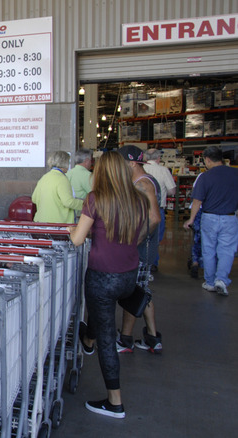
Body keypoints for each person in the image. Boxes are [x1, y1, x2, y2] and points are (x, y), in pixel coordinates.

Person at [68, 150, 151, 419]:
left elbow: (78, 239)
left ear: (102, 172)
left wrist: (72, 230)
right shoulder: (138, 198)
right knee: (100, 319)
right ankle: (88, 339)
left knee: (106, 336)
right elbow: (140, 232)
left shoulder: (95, 199)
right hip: (128, 275)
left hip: (102, 277)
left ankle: (115, 402)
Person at [117, 145, 163, 354]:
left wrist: (135, 241)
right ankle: (153, 338)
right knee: (142, 291)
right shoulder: (142, 182)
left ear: (132, 163)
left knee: (132, 292)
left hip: (141, 251)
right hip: (145, 248)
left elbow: (154, 218)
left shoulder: (142, 184)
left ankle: (125, 339)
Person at [184, 146, 238, 297]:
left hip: (209, 217)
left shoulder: (205, 177)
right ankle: (221, 279)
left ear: (207, 159)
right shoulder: (236, 173)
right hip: (230, 217)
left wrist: (191, 219)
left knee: (208, 249)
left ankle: (209, 282)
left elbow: (197, 201)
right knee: (227, 250)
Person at [143, 148, 177, 266]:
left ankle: (141, 263)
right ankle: (153, 263)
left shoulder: (141, 169)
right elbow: (172, 191)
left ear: (145, 158)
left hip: (140, 210)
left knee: (140, 237)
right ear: (158, 158)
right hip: (158, 209)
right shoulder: (164, 170)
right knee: (155, 238)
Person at [31, 151, 82, 223]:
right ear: (65, 163)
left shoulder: (44, 177)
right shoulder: (62, 179)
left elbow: (34, 199)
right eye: (69, 162)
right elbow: (68, 202)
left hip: (40, 222)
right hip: (58, 224)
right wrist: (86, 204)